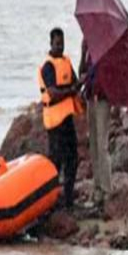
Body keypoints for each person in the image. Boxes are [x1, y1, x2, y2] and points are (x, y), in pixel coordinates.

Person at [38, 27, 82, 208]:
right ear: (51, 44)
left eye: (62, 44)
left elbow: (74, 81)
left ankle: (69, 199)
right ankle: (51, 201)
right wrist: (71, 91)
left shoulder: (66, 62)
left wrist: (78, 85)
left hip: (67, 119)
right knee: (55, 162)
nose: (60, 47)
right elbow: (53, 93)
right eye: (57, 44)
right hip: (54, 121)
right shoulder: (48, 66)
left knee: (72, 158)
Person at [79, 38, 112, 203]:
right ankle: (97, 187)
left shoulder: (108, 47)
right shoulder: (89, 46)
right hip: (91, 98)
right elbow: (82, 73)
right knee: (93, 144)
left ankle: (106, 188)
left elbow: (111, 75)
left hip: (103, 100)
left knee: (102, 144)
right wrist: (83, 51)